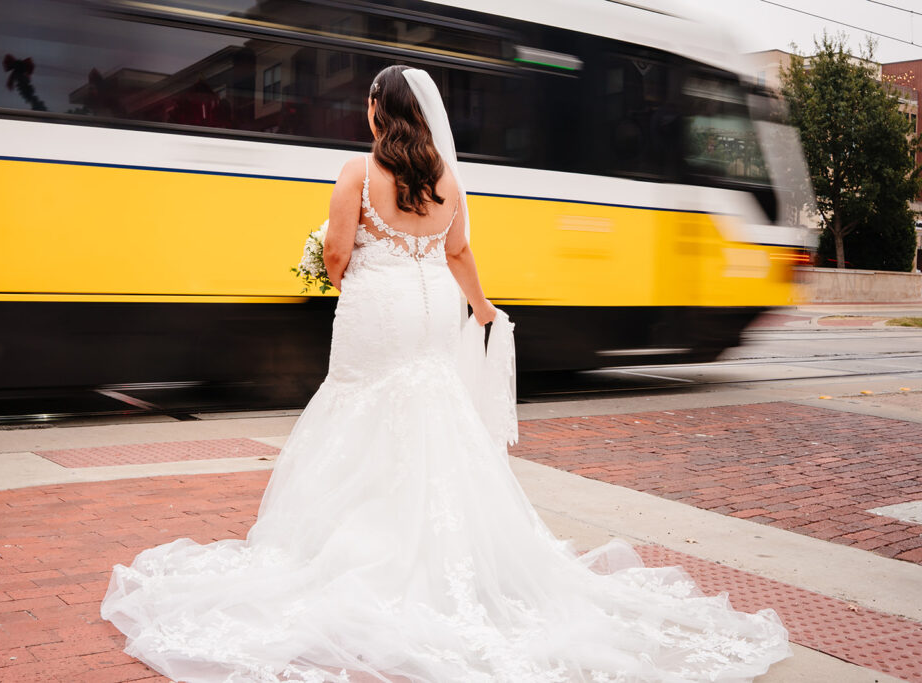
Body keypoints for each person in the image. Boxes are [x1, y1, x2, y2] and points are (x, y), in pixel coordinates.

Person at [101, 65, 791, 682]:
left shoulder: (355, 174)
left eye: (370, 103)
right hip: (433, 311)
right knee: (432, 409)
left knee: (358, 408)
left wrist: (334, 268)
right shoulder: (448, 180)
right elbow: (459, 254)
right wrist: (485, 308)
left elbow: (339, 253)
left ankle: (354, 541)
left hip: (378, 308)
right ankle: (448, 556)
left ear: (380, 111)